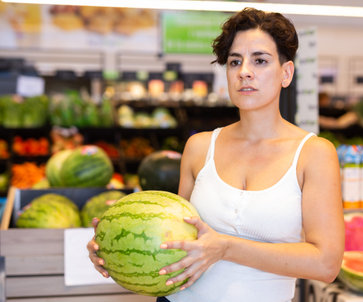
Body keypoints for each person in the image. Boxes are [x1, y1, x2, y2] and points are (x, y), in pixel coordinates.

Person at [88, 7, 344, 302]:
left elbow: (326, 263)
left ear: (286, 73)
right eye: (235, 61)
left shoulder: (313, 153)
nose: (244, 71)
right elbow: (174, 238)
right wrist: (111, 248)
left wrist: (226, 247)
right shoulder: (199, 147)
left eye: (260, 60)